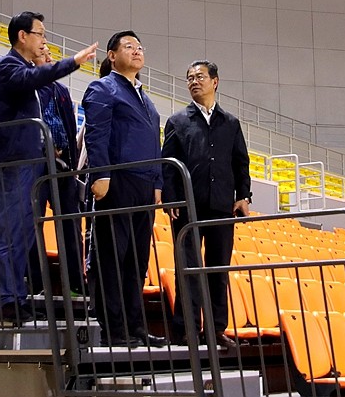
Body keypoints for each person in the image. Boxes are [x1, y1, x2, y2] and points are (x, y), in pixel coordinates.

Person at [0, 11, 96, 324]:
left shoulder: (27, 72)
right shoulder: (8, 66)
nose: (44, 40)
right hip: (12, 162)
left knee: (22, 234)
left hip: (30, 162)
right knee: (7, 232)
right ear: (23, 36)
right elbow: (32, 79)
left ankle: (15, 297)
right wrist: (72, 62)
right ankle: (2, 299)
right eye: (40, 34)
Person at [83, 30, 166, 348]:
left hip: (145, 184)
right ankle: (114, 327)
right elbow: (97, 133)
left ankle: (135, 325)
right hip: (117, 180)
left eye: (140, 47)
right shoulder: (103, 88)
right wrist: (101, 174)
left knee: (137, 259)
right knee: (112, 256)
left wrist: (157, 182)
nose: (137, 50)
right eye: (129, 46)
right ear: (112, 55)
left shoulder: (146, 98)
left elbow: (155, 143)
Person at [162, 61, 251, 349]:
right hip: (187, 207)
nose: (194, 81)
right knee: (187, 270)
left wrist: (243, 195)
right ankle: (185, 330)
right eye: (189, 78)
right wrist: (171, 197)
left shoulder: (231, 123)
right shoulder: (177, 121)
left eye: (200, 76)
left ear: (215, 81)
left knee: (218, 270)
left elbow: (241, 163)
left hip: (222, 206)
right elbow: (169, 164)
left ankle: (215, 330)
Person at [28, 45, 84, 296]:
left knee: (70, 223)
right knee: (34, 222)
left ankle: (75, 283)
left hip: (63, 166)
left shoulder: (61, 90)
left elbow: (70, 127)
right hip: (36, 163)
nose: (50, 59)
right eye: (44, 55)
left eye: (51, 56)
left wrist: (70, 160)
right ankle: (35, 283)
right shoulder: (29, 87)